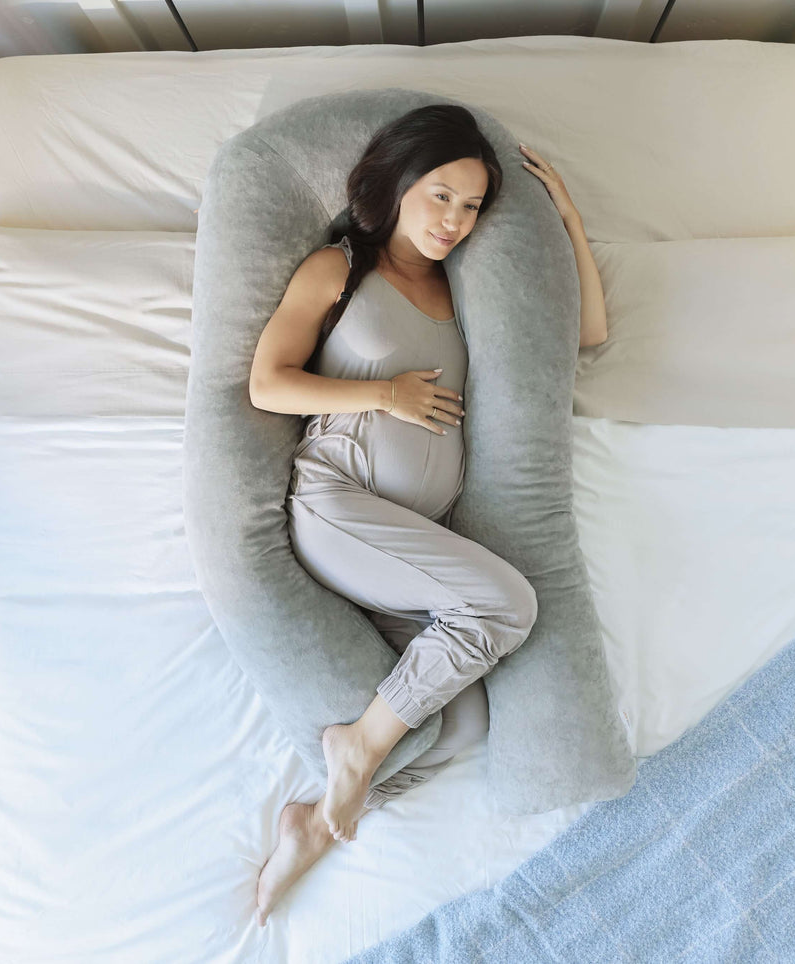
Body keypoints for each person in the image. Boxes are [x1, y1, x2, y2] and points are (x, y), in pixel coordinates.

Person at [245, 103, 607, 926]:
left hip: (413, 550)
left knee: (458, 724)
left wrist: (572, 224)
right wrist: (384, 394)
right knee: (506, 604)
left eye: (472, 205)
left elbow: (585, 333)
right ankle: (353, 750)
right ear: (398, 184)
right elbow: (268, 383)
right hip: (341, 505)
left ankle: (315, 816)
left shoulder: (471, 286)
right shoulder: (338, 269)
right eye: (440, 196)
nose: (454, 221)